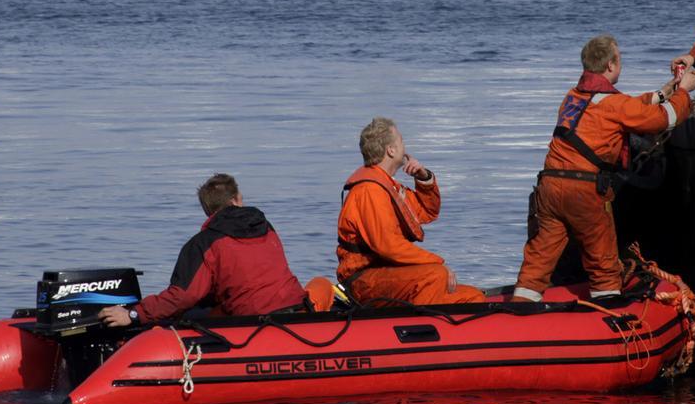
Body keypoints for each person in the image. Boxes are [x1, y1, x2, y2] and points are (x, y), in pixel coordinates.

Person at [514, 35, 695, 303]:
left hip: (549, 188)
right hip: (584, 190)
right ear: (611, 65)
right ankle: (608, 307)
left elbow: (623, 106)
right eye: (619, 59)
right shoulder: (613, 104)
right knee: (602, 261)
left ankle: (520, 308)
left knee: (539, 258)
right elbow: (663, 119)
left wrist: (662, 93)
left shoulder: (573, 96)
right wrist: (683, 92)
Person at [97, 174, 306, 326]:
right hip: (296, 309)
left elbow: (181, 297)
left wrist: (133, 314)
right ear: (237, 200)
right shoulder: (265, 227)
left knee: (184, 316)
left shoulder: (204, 243)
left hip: (252, 320)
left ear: (207, 210)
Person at [336, 117, 485, 306]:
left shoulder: (387, 186)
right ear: (391, 150)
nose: (405, 147)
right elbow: (388, 246)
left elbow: (426, 212)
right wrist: (437, 262)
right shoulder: (369, 190)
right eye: (401, 141)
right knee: (435, 274)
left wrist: (424, 178)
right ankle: (418, 319)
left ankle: (429, 314)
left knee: (474, 297)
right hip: (364, 280)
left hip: (387, 272)